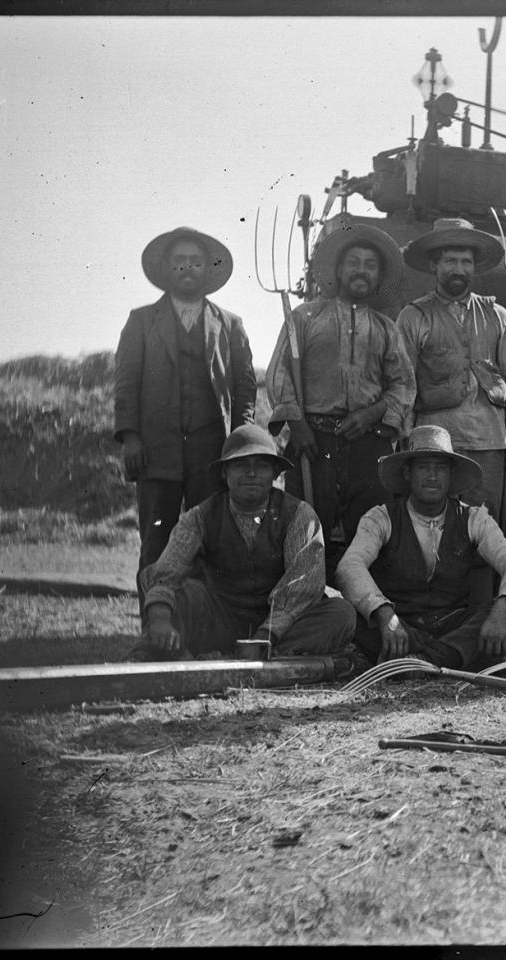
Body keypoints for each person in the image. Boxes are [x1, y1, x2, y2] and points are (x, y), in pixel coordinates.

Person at [131, 425, 357, 662]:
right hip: (220, 621)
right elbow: (167, 570)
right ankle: (152, 652)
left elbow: (303, 585)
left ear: (275, 473)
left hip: (278, 627)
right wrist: (159, 616)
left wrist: (264, 636)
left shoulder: (299, 515)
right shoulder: (200, 517)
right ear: (224, 473)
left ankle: (262, 655)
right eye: (240, 465)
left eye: (261, 466)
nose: (251, 474)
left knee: (341, 614)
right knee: (188, 593)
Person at [114, 227, 256, 580]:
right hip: (156, 452)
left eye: (196, 261)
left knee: (209, 542)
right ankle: (155, 627)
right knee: (156, 541)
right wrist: (130, 437)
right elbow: (126, 382)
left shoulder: (229, 324)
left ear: (208, 269)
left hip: (212, 454)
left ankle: (202, 627)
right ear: (166, 269)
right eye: (179, 261)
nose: (188, 268)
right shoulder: (141, 321)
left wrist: (240, 443)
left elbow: (245, 387)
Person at [266, 223, 414, 561]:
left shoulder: (386, 329)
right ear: (339, 270)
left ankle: (361, 608)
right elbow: (279, 373)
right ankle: (309, 602)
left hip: (368, 444)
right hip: (312, 443)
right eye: (353, 262)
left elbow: (403, 385)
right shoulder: (304, 318)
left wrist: (371, 414)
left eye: (370, 265)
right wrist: (298, 426)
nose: (361, 270)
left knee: (366, 534)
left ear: (378, 277)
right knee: (305, 532)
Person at [335, 425, 506, 670]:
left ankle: (425, 661)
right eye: (423, 467)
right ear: (407, 473)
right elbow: (350, 566)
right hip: (401, 626)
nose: (432, 476)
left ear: (451, 476)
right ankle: (448, 658)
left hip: (455, 626)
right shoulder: (381, 517)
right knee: (349, 613)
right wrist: (384, 613)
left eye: (440, 468)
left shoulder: (473, 518)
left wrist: (501, 613)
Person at [397, 218, 506, 520]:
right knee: (435, 523)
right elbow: (401, 382)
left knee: (486, 525)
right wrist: (405, 439)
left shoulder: (499, 316)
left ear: (475, 266)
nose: (459, 269)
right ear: (435, 265)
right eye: (450, 261)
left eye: (466, 262)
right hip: (435, 444)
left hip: (490, 442)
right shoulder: (414, 316)